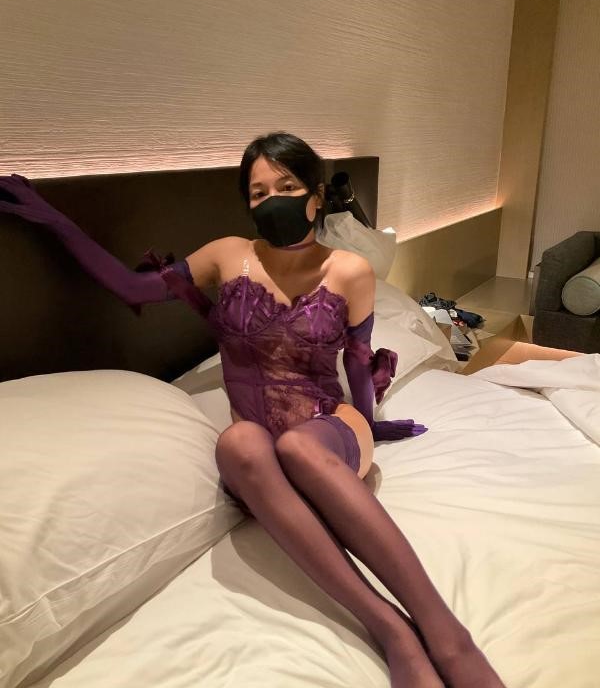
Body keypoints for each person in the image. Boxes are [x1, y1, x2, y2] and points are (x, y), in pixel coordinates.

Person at [0, 133, 505, 687]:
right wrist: (55, 220)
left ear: (316, 196)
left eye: (286, 187)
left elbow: (358, 362)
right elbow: (133, 288)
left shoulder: (350, 270)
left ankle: (447, 636)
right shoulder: (227, 255)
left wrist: (371, 422)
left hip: (329, 429)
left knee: (298, 445)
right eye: (259, 192)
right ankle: (391, 629)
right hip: (259, 445)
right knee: (237, 442)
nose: (272, 201)